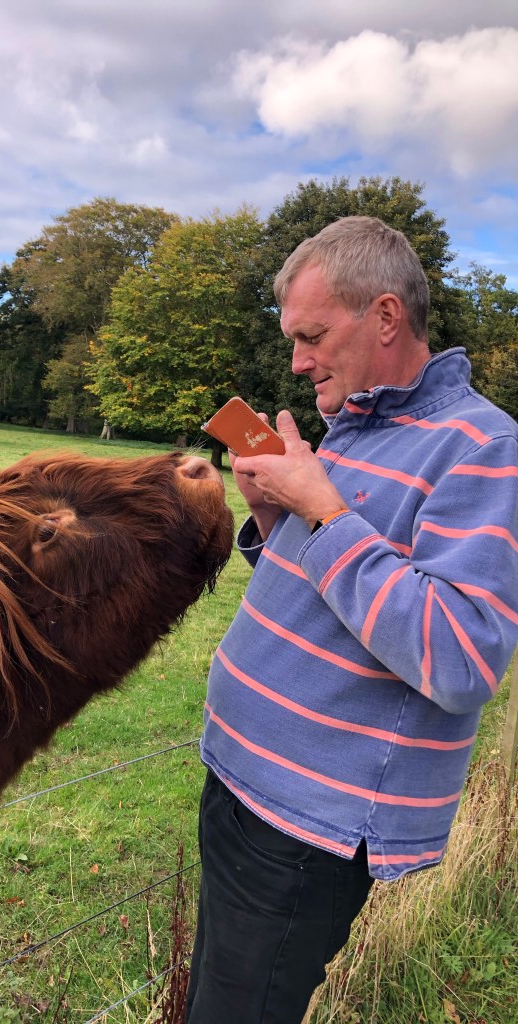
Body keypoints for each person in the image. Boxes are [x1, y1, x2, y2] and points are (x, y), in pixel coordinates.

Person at [185, 216, 518, 1024]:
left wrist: (326, 511)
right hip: (238, 779)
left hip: (307, 829)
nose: (297, 361)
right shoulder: (356, 428)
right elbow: (329, 595)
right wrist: (275, 512)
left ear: (385, 317)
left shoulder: (484, 446)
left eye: (313, 336)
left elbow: (460, 658)